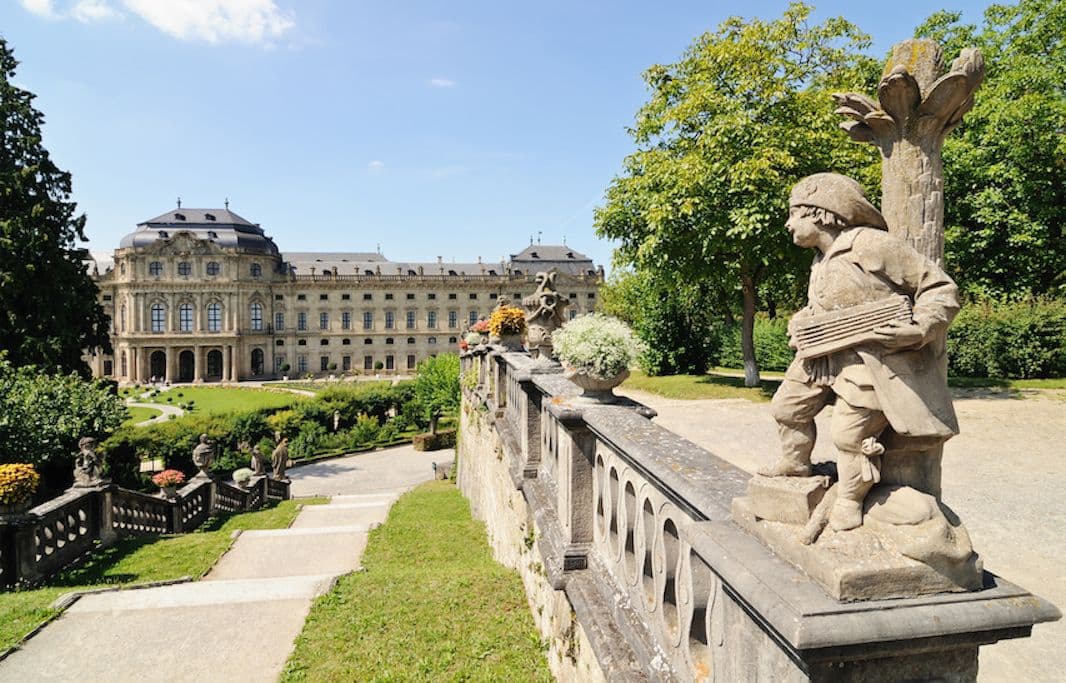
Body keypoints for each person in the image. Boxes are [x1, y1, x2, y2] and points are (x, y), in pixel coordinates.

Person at [761, 173, 960, 531]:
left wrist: (919, 329)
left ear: (820, 213)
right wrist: (801, 321)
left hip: (869, 360)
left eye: (795, 215)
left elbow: (940, 287)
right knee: (786, 408)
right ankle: (795, 464)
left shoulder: (872, 245)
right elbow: (825, 305)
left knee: (848, 435)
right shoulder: (821, 259)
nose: (789, 224)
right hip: (820, 354)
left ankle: (851, 500)